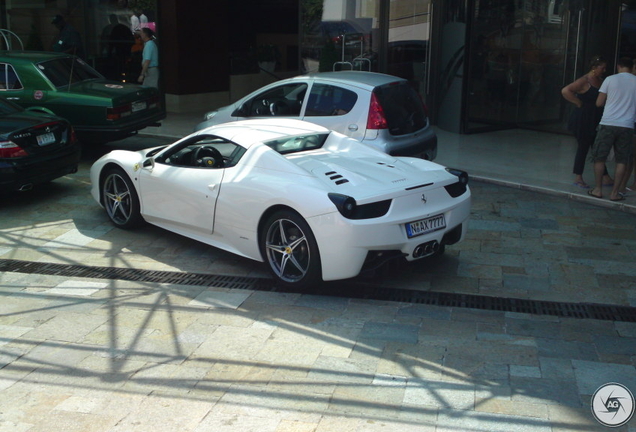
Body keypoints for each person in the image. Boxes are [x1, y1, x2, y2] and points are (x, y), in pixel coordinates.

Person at [588, 57, 636, 201]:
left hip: (608, 123)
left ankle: (598, 189)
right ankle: (615, 193)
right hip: (627, 125)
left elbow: (599, 103)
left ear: (618, 66)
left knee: (599, 157)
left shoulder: (610, 79)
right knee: (622, 160)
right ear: (631, 67)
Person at [561, 56, 613, 188]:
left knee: (597, 147)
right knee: (583, 147)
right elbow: (566, 90)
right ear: (594, 68)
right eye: (602, 68)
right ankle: (578, 177)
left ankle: (605, 176)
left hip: (595, 118)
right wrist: (578, 103)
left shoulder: (600, 81)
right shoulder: (584, 80)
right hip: (583, 118)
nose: (604, 70)